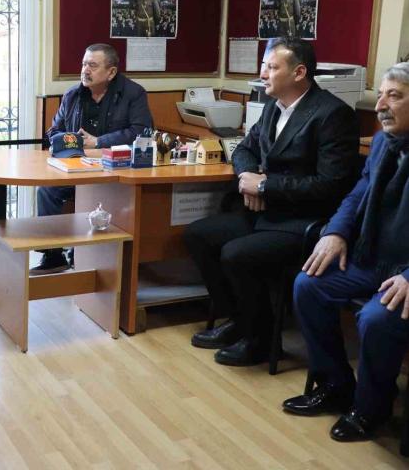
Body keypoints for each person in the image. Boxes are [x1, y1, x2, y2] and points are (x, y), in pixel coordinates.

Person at [183, 37, 359, 366]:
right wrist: (249, 180)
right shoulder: (271, 107)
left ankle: (262, 340)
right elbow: (244, 150)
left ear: (299, 73)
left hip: (302, 222)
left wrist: (266, 187)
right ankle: (239, 320)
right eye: (263, 66)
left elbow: (330, 186)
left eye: (272, 67)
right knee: (198, 235)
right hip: (265, 212)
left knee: (236, 254)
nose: (263, 74)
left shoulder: (333, 114)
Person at [282, 62, 409, 442]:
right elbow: (357, 195)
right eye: (381, 94)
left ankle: (372, 407)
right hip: (374, 257)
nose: (380, 105)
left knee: (375, 319)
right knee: (309, 285)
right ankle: (337, 385)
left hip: (405, 270)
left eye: (394, 96)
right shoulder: (384, 142)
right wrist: (336, 232)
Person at [32, 43, 152, 274]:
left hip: (116, 169)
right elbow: (53, 131)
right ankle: (53, 254)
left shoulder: (133, 94)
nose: (85, 70)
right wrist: (71, 141)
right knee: (47, 189)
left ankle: (92, 255)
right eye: (84, 64)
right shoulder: (73, 95)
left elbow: (141, 131)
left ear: (111, 72)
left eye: (93, 66)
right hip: (77, 167)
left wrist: (98, 141)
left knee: (101, 193)